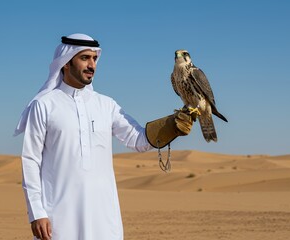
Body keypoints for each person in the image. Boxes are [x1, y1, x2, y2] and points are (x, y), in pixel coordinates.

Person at [14, 33, 195, 240]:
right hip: (59, 217)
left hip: (104, 217)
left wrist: (171, 126)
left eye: (94, 58)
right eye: (84, 58)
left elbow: (138, 140)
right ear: (65, 63)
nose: (92, 64)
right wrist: (37, 212)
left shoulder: (106, 105)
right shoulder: (44, 105)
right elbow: (31, 160)